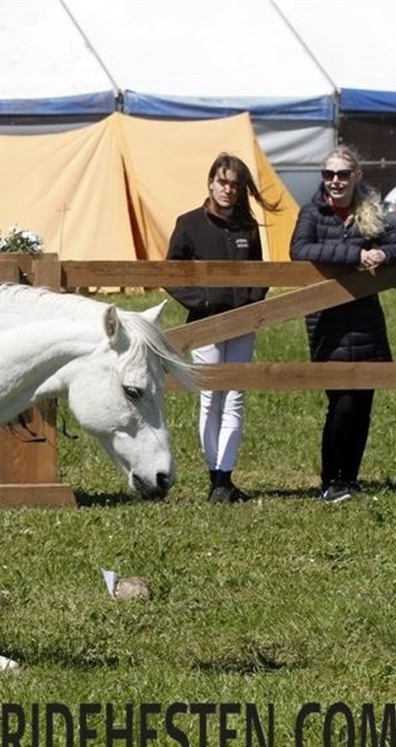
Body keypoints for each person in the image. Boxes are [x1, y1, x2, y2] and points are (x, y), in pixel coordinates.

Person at [289, 145, 396, 502]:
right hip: (327, 322)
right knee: (342, 403)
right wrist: (355, 255)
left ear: (355, 176)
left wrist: (383, 253)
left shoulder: (370, 211)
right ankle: (330, 481)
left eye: (342, 174)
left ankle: (350, 480)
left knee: (362, 404)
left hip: (365, 321)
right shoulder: (312, 213)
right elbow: (300, 250)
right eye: (328, 174)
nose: (335, 181)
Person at [165, 153, 282, 502]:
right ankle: (214, 476)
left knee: (235, 396)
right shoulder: (189, 223)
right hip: (206, 323)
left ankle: (225, 477)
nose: (228, 189)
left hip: (243, 322)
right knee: (211, 395)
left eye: (235, 184)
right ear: (210, 183)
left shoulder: (248, 226)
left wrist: (253, 301)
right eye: (223, 182)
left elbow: (260, 272)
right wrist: (200, 302)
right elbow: (170, 271)